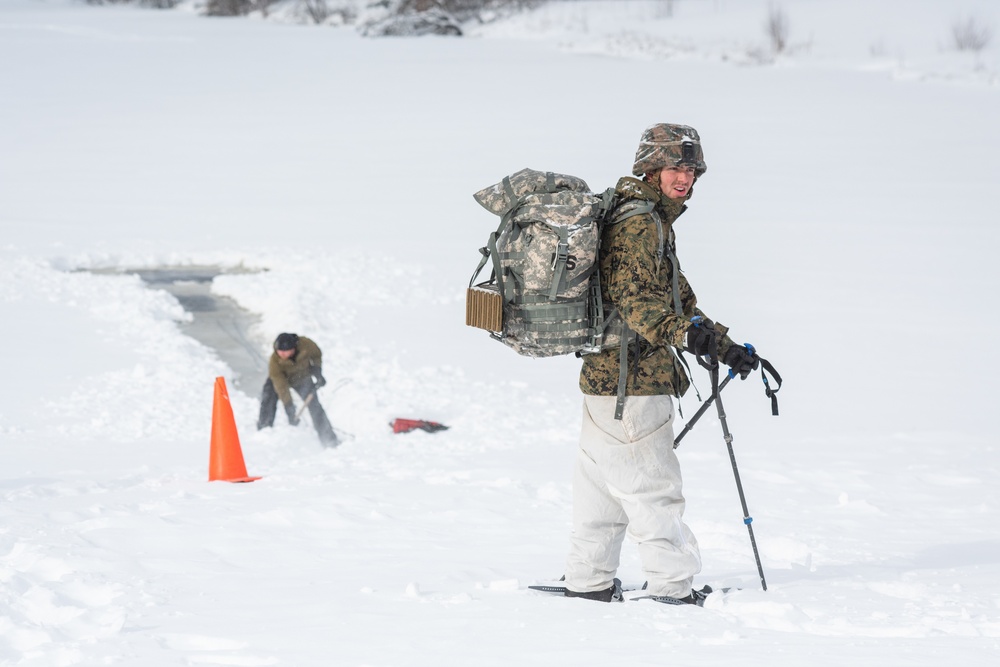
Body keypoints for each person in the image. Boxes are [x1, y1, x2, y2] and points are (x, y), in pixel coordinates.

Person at [564, 123, 762, 604]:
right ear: (650, 168)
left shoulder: (646, 218)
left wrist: (721, 343)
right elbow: (639, 306)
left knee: (603, 491)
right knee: (653, 489)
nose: (685, 177)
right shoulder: (639, 223)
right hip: (634, 383)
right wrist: (689, 336)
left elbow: (678, 300)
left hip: (603, 378)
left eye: (692, 168)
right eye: (675, 166)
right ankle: (672, 588)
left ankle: (588, 582)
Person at [257, 332, 339, 447]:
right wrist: (289, 407)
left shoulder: (305, 344)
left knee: (314, 405)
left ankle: (330, 439)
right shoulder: (274, 361)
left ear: (294, 348)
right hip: (280, 378)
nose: (282, 354)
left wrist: (317, 371)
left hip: (302, 377)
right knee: (268, 397)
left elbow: (316, 354)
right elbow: (281, 386)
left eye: (286, 351)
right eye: (280, 351)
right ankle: (264, 430)